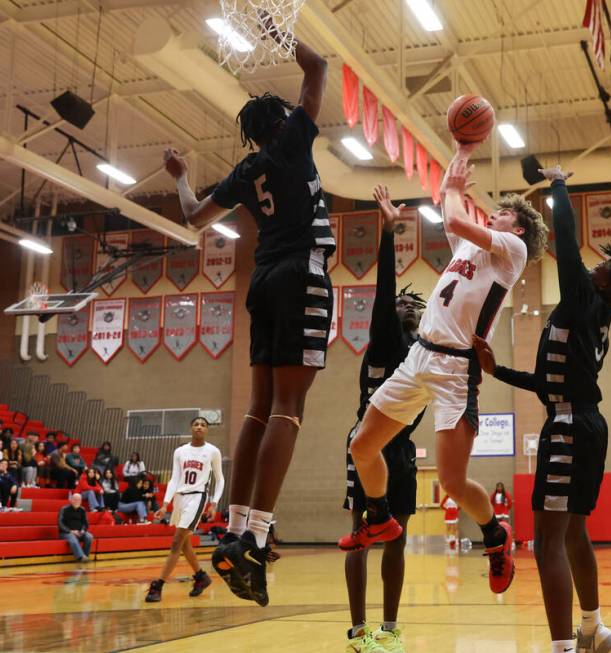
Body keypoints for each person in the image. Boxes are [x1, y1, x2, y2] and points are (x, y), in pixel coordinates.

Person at [340, 148, 547, 602]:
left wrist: (455, 186)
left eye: (505, 212)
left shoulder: (512, 251)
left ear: (519, 227)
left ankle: (495, 535)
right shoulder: (475, 246)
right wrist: (457, 155)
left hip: (456, 369)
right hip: (419, 357)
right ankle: (379, 516)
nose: (495, 213)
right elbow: (450, 216)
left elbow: (453, 217)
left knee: (452, 482)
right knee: (362, 445)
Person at [177, 25, 332, 609]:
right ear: (283, 119)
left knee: (258, 408)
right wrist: (279, 29)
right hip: (301, 272)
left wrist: (180, 176)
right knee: (290, 409)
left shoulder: (246, 173)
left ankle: (235, 531)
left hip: (263, 278)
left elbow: (193, 215)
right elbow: (317, 69)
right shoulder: (292, 139)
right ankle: (257, 536)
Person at [473, 165, 611, 653]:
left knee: (547, 541)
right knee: (573, 535)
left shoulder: (583, 297)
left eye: (600, 269)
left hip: (568, 425)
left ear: (605, 285)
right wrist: (498, 370)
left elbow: (565, 240)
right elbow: (549, 381)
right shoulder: (593, 315)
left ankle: (563, 647)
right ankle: (592, 628)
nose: (590, 267)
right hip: (584, 420)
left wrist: (559, 183)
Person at [339, 185, 425, 652]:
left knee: (398, 538)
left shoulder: (421, 353)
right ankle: (358, 632)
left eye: (415, 304)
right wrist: (389, 233)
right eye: (402, 302)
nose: (407, 304)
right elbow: (386, 290)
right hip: (369, 442)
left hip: (403, 449)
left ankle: (389, 630)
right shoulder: (386, 341)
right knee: (361, 535)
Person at [147, 416, 224, 602]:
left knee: (176, 542)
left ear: (207, 430)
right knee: (185, 544)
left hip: (198, 497)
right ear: (191, 428)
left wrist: (214, 503)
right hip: (180, 498)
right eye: (196, 424)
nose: (199, 427)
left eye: (203, 425)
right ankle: (201, 577)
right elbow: (174, 479)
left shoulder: (213, 451)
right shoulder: (180, 451)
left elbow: (220, 479)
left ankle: (158, 586)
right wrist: (165, 503)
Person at [58, 493, 93, 562]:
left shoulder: (82, 510)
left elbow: (86, 524)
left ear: (81, 501)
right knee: (72, 538)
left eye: (79, 500)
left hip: (80, 532)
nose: (77, 501)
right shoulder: (64, 509)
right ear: (71, 500)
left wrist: (83, 530)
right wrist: (71, 531)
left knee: (89, 536)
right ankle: (81, 557)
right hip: (66, 533)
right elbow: (60, 524)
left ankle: (85, 556)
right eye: (75, 499)